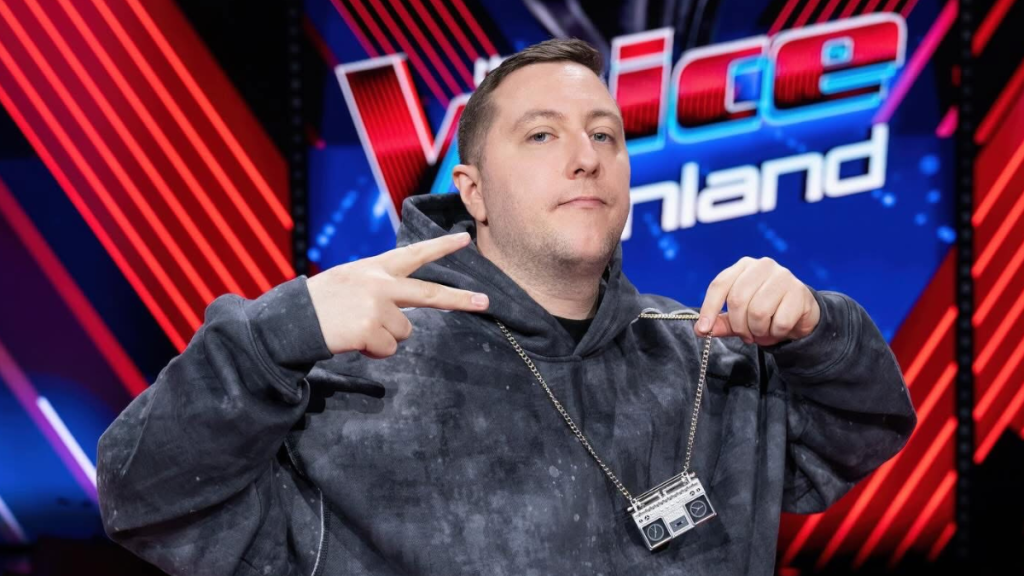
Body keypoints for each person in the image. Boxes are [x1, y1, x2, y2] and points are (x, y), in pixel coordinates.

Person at [96, 38, 916, 575]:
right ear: (473, 190)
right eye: (542, 135)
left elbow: (865, 430)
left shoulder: (709, 354)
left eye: (605, 134)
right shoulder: (354, 368)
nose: (586, 157)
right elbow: (149, 500)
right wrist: (270, 340)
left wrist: (820, 331)